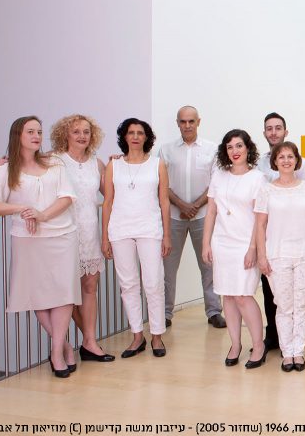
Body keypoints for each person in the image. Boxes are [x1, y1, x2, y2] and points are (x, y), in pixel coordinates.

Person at [0, 116, 81, 378]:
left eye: (39, 132)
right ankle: (64, 346)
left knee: (64, 293)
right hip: (28, 239)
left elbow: (67, 196)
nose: (36, 136)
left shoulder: (54, 164)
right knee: (37, 295)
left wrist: (42, 215)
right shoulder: (4, 170)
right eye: (30, 131)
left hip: (62, 235)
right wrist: (22, 208)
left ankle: (56, 351)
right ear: (18, 136)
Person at [102, 118, 171, 358]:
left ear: (146, 137)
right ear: (124, 137)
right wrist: (104, 237)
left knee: (153, 283)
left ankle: (157, 336)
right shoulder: (113, 165)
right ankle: (137, 336)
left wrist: (167, 235)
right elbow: (107, 202)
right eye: (131, 132)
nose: (135, 137)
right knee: (128, 284)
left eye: (140, 133)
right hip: (119, 230)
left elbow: (164, 201)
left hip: (150, 229)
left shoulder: (157, 164)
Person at [49, 115, 115, 362]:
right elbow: (27, 169)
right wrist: (1, 164)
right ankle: (61, 346)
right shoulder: (54, 160)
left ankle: (89, 342)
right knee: (66, 292)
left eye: (86, 132)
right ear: (65, 134)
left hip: (89, 231)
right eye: (76, 131)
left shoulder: (97, 164)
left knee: (89, 287)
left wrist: (118, 166)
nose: (82, 136)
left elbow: (112, 194)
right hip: (63, 231)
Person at [255, 142, 305, 371]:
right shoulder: (266, 190)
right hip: (277, 256)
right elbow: (260, 225)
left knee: (301, 305)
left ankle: (299, 352)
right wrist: (262, 256)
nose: (286, 160)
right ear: (275, 161)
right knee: (284, 306)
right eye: (281, 157)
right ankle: (287, 353)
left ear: (296, 160)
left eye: (290, 156)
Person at [202, 130, 267, 369]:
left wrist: (253, 248)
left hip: (245, 244)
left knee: (243, 295)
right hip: (222, 243)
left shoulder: (258, 178)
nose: (235, 151)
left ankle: (258, 346)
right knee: (228, 295)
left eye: (239, 145)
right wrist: (206, 243)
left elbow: (260, 218)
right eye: (230, 147)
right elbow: (211, 212)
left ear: (248, 148)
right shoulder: (218, 176)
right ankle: (235, 345)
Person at [158, 106, 224, 329]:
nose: (187, 125)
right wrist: (182, 205)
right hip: (173, 217)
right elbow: (162, 183)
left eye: (191, 121)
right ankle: (165, 313)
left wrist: (194, 206)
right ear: (178, 123)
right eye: (183, 121)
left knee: (209, 265)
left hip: (203, 216)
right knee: (168, 268)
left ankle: (214, 311)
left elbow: (216, 182)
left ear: (198, 122)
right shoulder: (166, 150)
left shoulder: (212, 149)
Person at [256, 112, 305, 353]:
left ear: (285, 131)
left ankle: (295, 344)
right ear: (264, 133)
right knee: (271, 291)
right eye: (269, 128)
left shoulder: (301, 164)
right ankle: (274, 335)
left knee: (297, 297)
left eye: (278, 128)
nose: (274, 132)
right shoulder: (258, 163)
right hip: (271, 239)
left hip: (297, 241)